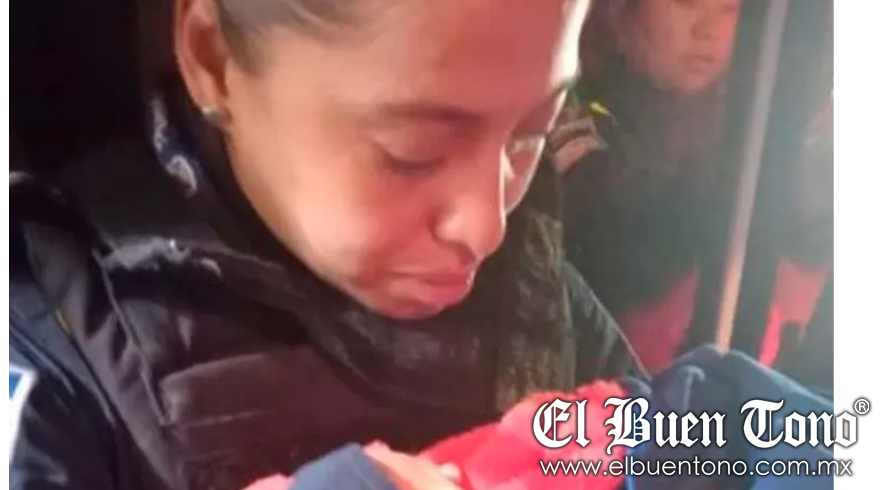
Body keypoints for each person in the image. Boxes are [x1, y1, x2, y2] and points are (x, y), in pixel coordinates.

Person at [8, 0, 640, 489]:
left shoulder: (536, 295)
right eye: (413, 154)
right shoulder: (54, 357)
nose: (488, 227)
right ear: (213, 59)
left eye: (531, 134)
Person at [548, 0, 741, 373]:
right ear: (622, 14)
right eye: (687, 3)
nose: (708, 31)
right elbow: (621, 264)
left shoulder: (749, 130)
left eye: (730, 8)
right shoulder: (574, 117)